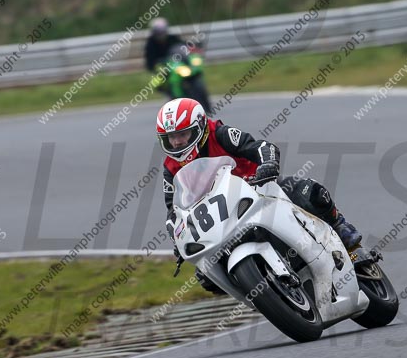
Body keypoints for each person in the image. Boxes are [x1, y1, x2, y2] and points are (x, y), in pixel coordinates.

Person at [156, 98, 379, 294]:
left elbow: (260, 146)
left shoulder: (220, 134)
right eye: (170, 138)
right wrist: (177, 236)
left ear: (201, 128)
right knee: (206, 275)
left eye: (182, 135)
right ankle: (259, 288)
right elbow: (173, 209)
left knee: (309, 191)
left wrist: (268, 163)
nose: (176, 143)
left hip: (258, 189)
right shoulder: (171, 167)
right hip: (221, 217)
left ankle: (345, 236)